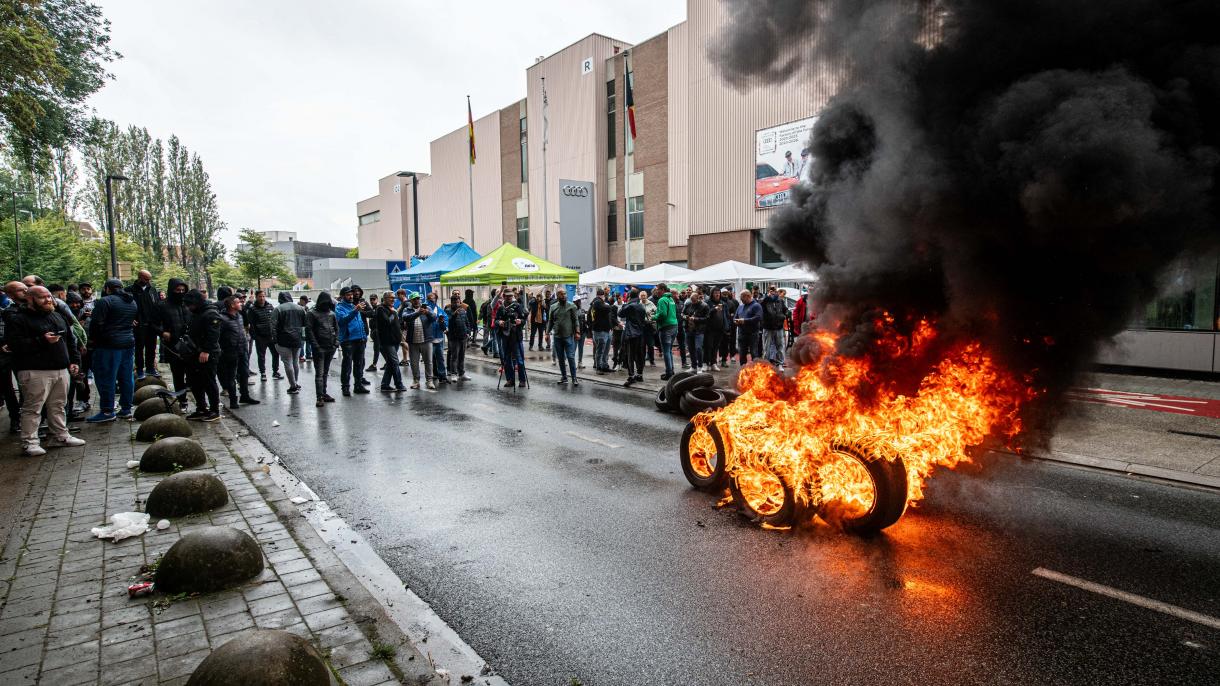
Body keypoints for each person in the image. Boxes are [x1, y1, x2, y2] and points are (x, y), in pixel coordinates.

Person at [3, 286, 86, 455]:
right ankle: (29, 442)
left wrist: (75, 361)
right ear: (31, 299)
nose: (48, 300)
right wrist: (42, 340)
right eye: (43, 298)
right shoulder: (18, 319)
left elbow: (70, 340)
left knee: (58, 406)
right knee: (33, 408)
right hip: (35, 370)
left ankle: (60, 435)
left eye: (49, 296)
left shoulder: (57, 315)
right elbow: (15, 344)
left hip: (61, 369)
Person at [86, 279, 137, 422]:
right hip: (128, 342)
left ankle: (107, 411)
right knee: (126, 377)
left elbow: (96, 324)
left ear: (108, 289)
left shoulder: (105, 301)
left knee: (106, 377)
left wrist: (93, 341)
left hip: (108, 345)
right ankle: (126, 408)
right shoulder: (131, 302)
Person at [182, 290, 223, 421]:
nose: (189, 307)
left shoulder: (211, 313)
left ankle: (214, 410)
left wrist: (206, 350)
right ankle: (201, 408)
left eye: (191, 305)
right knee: (195, 382)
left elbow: (213, 335)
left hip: (208, 353)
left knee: (208, 381)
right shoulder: (195, 313)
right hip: (194, 352)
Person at [153, 278, 192, 411]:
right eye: (178, 290)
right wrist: (162, 332)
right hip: (173, 345)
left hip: (190, 344)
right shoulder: (161, 305)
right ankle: (183, 401)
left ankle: (200, 401)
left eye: (183, 290)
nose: (180, 292)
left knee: (194, 373)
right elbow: (153, 323)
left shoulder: (187, 304)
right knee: (178, 374)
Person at [218, 296, 259, 409]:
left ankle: (245, 396)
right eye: (238, 302)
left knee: (244, 373)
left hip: (242, 350)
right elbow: (217, 336)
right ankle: (233, 400)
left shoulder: (239, 316)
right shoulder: (222, 319)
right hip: (230, 351)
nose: (241, 303)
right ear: (232, 305)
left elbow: (242, 332)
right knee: (231, 376)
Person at [0, 281, 29, 433]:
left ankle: (24, 417)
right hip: (3, 353)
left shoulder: (27, 307)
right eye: (21, 290)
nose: (26, 292)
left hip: (21, 351)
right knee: (7, 388)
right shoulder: (9, 309)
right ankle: (15, 418)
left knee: (25, 385)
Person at [306, 291, 339, 406]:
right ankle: (319, 396)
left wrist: (336, 342)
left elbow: (336, 328)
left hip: (330, 347)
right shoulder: (312, 314)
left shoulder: (331, 314)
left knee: (324, 373)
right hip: (320, 347)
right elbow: (309, 331)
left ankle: (323, 394)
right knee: (320, 374)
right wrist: (316, 346)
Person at [126, 270, 160, 379]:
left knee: (151, 347)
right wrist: (130, 319)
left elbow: (157, 306)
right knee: (139, 349)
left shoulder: (152, 290)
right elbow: (125, 307)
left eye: (149, 279)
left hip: (151, 324)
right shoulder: (129, 291)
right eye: (145, 279)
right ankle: (140, 370)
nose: (148, 281)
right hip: (138, 324)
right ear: (139, 277)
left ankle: (150, 368)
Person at [335, 287, 369, 395]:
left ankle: (358, 385)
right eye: (348, 295)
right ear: (342, 296)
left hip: (360, 339)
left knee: (359, 364)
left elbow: (359, 322)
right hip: (348, 340)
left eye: (351, 294)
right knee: (347, 365)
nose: (351, 296)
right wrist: (355, 311)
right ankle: (345, 387)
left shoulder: (354, 306)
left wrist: (363, 336)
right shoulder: (339, 308)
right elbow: (342, 321)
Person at [273, 292, 306, 395]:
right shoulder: (300, 308)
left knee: (288, 362)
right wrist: (303, 337)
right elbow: (305, 324)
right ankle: (295, 382)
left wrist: (274, 339)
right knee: (295, 362)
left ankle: (293, 386)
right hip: (297, 338)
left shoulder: (278, 309)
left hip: (283, 339)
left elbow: (273, 326)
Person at [373, 292, 407, 392]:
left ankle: (385, 385)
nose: (393, 300)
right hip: (387, 341)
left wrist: (401, 338)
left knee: (391, 363)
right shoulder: (380, 309)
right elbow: (387, 322)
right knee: (395, 362)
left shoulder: (392, 309)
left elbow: (396, 325)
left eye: (394, 298)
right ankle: (399, 384)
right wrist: (393, 313)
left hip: (395, 341)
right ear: (385, 299)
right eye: (391, 298)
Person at [495, 289, 528, 388]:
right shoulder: (501, 308)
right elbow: (495, 320)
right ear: (504, 296)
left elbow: (524, 318)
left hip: (516, 336)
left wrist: (520, 321)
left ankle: (522, 380)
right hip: (505, 336)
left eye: (511, 296)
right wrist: (499, 322)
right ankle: (510, 380)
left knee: (519, 359)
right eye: (507, 296)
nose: (509, 298)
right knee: (506, 360)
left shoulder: (517, 306)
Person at [401, 293, 435, 389]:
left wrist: (427, 312)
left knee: (428, 362)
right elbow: (405, 318)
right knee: (414, 362)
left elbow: (434, 318)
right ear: (411, 301)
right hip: (413, 341)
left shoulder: (427, 308)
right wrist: (418, 313)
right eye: (414, 299)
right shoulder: (407, 309)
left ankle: (429, 381)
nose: (417, 301)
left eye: (418, 299)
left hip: (426, 340)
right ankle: (416, 381)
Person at [548, 289, 581, 386]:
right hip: (557, 336)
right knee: (561, 358)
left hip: (568, 336)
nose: (564, 296)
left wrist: (577, 332)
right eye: (561, 294)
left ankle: (574, 378)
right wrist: (546, 333)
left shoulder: (572, 306)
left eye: (565, 294)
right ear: (557, 296)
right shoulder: (553, 307)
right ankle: (564, 377)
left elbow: (576, 320)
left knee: (570, 357)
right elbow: (550, 321)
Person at [248, 289, 278, 380]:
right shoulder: (252, 309)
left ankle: (275, 372)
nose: (262, 298)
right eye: (260, 296)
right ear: (256, 297)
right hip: (260, 337)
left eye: (263, 296)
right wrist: (255, 336)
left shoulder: (270, 306)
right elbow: (251, 324)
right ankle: (263, 373)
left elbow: (274, 320)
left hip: (271, 336)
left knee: (276, 354)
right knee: (261, 356)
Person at [619, 289, 647, 386]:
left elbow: (620, 313)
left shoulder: (630, 305)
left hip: (631, 333)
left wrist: (626, 303)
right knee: (639, 355)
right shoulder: (641, 306)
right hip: (640, 333)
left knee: (630, 355)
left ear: (630, 296)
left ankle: (631, 376)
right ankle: (639, 374)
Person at [653, 285, 678, 380]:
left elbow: (663, 314)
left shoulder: (662, 300)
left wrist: (653, 317)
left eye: (657, 289)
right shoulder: (671, 299)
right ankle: (671, 371)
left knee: (666, 351)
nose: (656, 291)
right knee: (669, 351)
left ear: (662, 290)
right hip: (674, 326)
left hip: (666, 328)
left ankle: (668, 373)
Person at [444, 293, 470, 381]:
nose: (456, 304)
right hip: (453, 337)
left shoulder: (463, 310)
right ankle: (453, 373)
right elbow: (448, 322)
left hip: (463, 337)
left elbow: (467, 322)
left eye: (458, 302)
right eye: (454, 302)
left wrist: (468, 332)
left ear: (460, 302)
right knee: (454, 356)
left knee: (462, 356)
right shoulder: (447, 311)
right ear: (451, 303)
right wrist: (454, 315)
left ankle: (461, 373)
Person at [761, 286, 788, 368]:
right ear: (768, 291)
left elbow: (785, 310)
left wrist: (784, 315)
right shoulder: (765, 300)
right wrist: (767, 297)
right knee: (766, 346)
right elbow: (761, 307)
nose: (773, 291)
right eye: (771, 289)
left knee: (780, 345)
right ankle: (766, 363)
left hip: (778, 327)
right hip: (768, 327)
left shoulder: (780, 301)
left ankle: (780, 363)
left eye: (774, 289)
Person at [684, 290, 711, 373]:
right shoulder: (688, 304)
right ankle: (693, 366)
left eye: (694, 300)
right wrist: (685, 317)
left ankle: (700, 366)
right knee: (691, 349)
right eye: (691, 300)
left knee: (698, 348)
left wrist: (696, 319)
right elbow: (683, 313)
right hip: (689, 329)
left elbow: (707, 318)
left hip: (699, 330)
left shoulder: (704, 305)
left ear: (698, 298)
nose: (692, 301)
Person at [734, 290, 763, 365]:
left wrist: (744, 321)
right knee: (742, 354)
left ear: (747, 296)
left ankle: (756, 370)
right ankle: (743, 370)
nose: (741, 300)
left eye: (742, 298)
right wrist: (736, 321)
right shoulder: (740, 307)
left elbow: (758, 317)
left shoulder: (756, 305)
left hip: (753, 333)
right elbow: (735, 317)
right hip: (742, 334)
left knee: (754, 353)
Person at [426, 291, 448, 384]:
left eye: (433, 298)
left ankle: (442, 376)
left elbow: (445, 327)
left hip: (438, 339)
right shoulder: (424, 310)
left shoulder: (440, 311)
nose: (431, 300)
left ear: (436, 299)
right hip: (428, 339)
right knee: (429, 360)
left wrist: (442, 322)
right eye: (429, 299)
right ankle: (430, 378)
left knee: (440, 359)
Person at [590, 289, 613, 373]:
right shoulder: (597, 302)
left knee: (605, 350)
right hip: (600, 330)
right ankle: (599, 367)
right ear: (602, 295)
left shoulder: (600, 302)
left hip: (606, 329)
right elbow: (607, 308)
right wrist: (609, 306)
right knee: (600, 350)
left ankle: (604, 365)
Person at [704, 289, 727, 372]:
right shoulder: (708, 302)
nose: (717, 294)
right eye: (715, 293)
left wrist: (726, 326)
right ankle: (706, 363)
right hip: (710, 329)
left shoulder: (722, 302)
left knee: (716, 347)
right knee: (708, 346)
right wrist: (714, 309)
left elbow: (725, 315)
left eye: (718, 293)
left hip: (720, 329)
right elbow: (706, 314)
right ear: (712, 294)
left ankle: (713, 363)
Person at [366, 293, 381, 373]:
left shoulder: (379, 308)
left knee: (377, 349)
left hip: (379, 332)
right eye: (371, 299)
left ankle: (374, 364)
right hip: (375, 332)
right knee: (380, 349)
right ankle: (388, 363)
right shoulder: (374, 308)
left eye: (373, 299)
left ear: (377, 299)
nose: (372, 301)